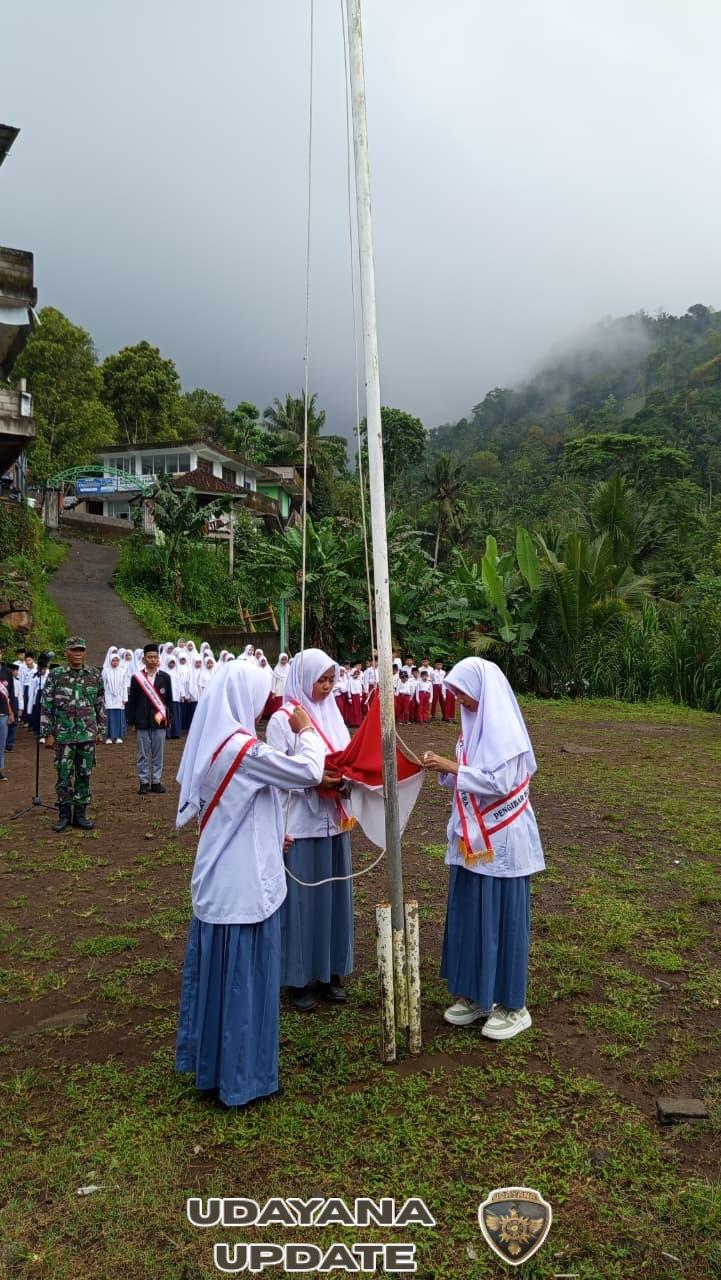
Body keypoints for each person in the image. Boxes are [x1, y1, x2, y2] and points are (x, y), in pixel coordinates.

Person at [174, 660, 325, 1108]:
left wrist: (276, 827)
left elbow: (241, 808)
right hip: (242, 886)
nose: (265, 704)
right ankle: (243, 1077)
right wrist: (306, 731)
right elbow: (309, 772)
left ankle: (213, 1069)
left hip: (220, 877)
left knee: (219, 982)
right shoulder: (244, 751)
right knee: (244, 982)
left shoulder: (215, 744)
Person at [423, 657, 544, 1040]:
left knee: (502, 919)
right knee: (473, 914)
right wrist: (445, 771)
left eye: (463, 692)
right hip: (472, 841)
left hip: (504, 841)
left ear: (483, 690)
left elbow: (501, 783)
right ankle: (477, 994)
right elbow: (471, 780)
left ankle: (512, 1004)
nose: (458, 700)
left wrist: (455, 769)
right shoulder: (470, 730)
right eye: (454, 693)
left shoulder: (505, 731)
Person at [266, 649, 355, 1012]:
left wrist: (347, 780)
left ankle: (332, 971)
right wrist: (312, 781)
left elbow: (346, 756)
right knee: (302, 902)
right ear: (303, 678)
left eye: (332, 679)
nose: (327, 686)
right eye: (321, 679)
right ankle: (298, 977)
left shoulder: (333, 714)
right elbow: (275, 773)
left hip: (334, 821)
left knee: (334, 898)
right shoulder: (283, 719)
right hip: (301, 822)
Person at [40, 636, 105, 831]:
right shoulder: (56, 675)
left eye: (81, 650)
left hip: (87, 734)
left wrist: (101, 730)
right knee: (63, 774)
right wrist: (47, 733)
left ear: (85, 652)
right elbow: (46, 705)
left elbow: (100, 704)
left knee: (84, 773)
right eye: (74, 650)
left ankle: (80, 814)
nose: (77, 654)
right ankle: (63, 814)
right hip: (63, 735)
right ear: (66, 652)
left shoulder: (94, 674)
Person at [125, 643, 174, 795]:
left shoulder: (165, 677)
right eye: (149, 657)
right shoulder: (137, 677)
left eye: (155, 657)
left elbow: (169, 701)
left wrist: (169, 718)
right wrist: (132, 721)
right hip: (142, 721)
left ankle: (156, 781)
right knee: (143, 754)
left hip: (160, 721)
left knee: (158, 753)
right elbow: (132, 700)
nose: (153, 660)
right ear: (144, 659)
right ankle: (144, 782)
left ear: (158, 659)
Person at [102, 649, 127, 744]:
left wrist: (125, 698)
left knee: (119, 716)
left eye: (117, 660)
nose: (115, 662)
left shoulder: (122, 671)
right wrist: (103, 697)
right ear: (110, 661)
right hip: (109, 696)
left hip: (119, 697)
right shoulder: (105, 671)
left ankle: (118, 736)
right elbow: (103, 685)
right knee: (109, 716)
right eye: (113, 660)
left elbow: (124, 685)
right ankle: (109, 737)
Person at [0, 656, 15, 781]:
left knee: (1, 743)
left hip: (3, 713)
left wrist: (12, 712)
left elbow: (11, 694)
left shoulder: (6, 672)